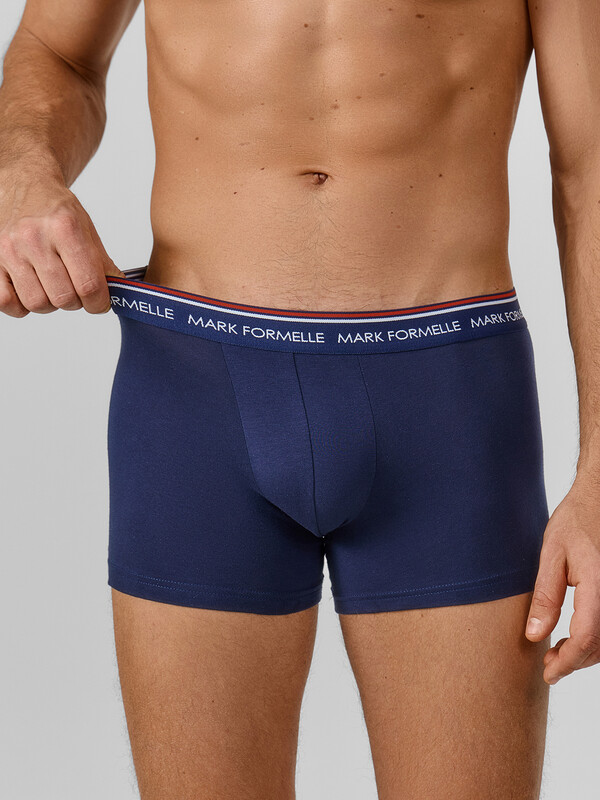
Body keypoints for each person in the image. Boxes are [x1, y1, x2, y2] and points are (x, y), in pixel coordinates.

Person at [0, 1, 599, 797]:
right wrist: (22, 169)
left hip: (445, 405)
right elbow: (56, 50)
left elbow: (591, 160)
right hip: (197, 396)